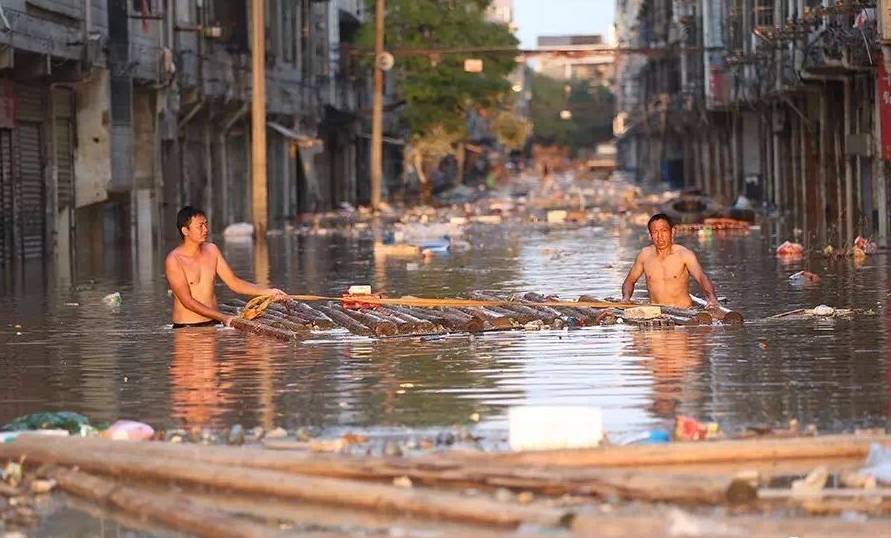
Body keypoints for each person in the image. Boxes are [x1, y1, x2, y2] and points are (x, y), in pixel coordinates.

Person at [165, 206, 285, 328]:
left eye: (206, 224)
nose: (205, 229)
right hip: (187, 328)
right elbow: (187, 302)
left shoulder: (212, 250)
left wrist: (268, 292)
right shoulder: (174, 260)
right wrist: (224, 318)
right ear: (185, 231)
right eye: (200, 226)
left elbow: (234, 283)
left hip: (213, 323)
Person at [621, 213, 719, 309]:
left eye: (664, 231)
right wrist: (626, 297)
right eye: (655, 232)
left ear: (672, 232)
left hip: (683, 311)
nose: (660, 236)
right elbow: (630, 281)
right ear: (650, 235)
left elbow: (701, 278)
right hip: (657, 312)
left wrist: (712, 299)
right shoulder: (644, 255)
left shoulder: (684, 254)